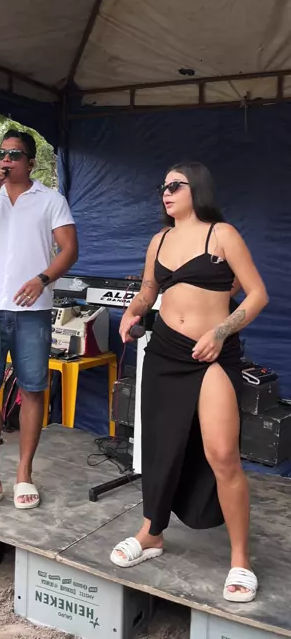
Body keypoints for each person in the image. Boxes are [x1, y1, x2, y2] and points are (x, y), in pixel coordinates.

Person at [111, 162, 268, 604]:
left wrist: (220, 332)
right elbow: (149, 289)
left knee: (222, 454)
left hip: (210, 353)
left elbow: (257, 293)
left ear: (196, 188)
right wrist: (133, 311)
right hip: (164, 352)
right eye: (163, 186)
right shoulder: (159, 240)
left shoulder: (222, 234)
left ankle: (241, 558)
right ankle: (151, 533)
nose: (166, 192)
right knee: (160, 448)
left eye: (175, 185)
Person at [0, 128, 78, 517]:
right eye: (1, 154)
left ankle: (24, 473)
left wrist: (43, 278)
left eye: (14, 154)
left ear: (31, 162)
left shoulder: (51, 199)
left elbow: (70, 249)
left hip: (33, 311)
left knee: (33, 390)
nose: (6, 160)